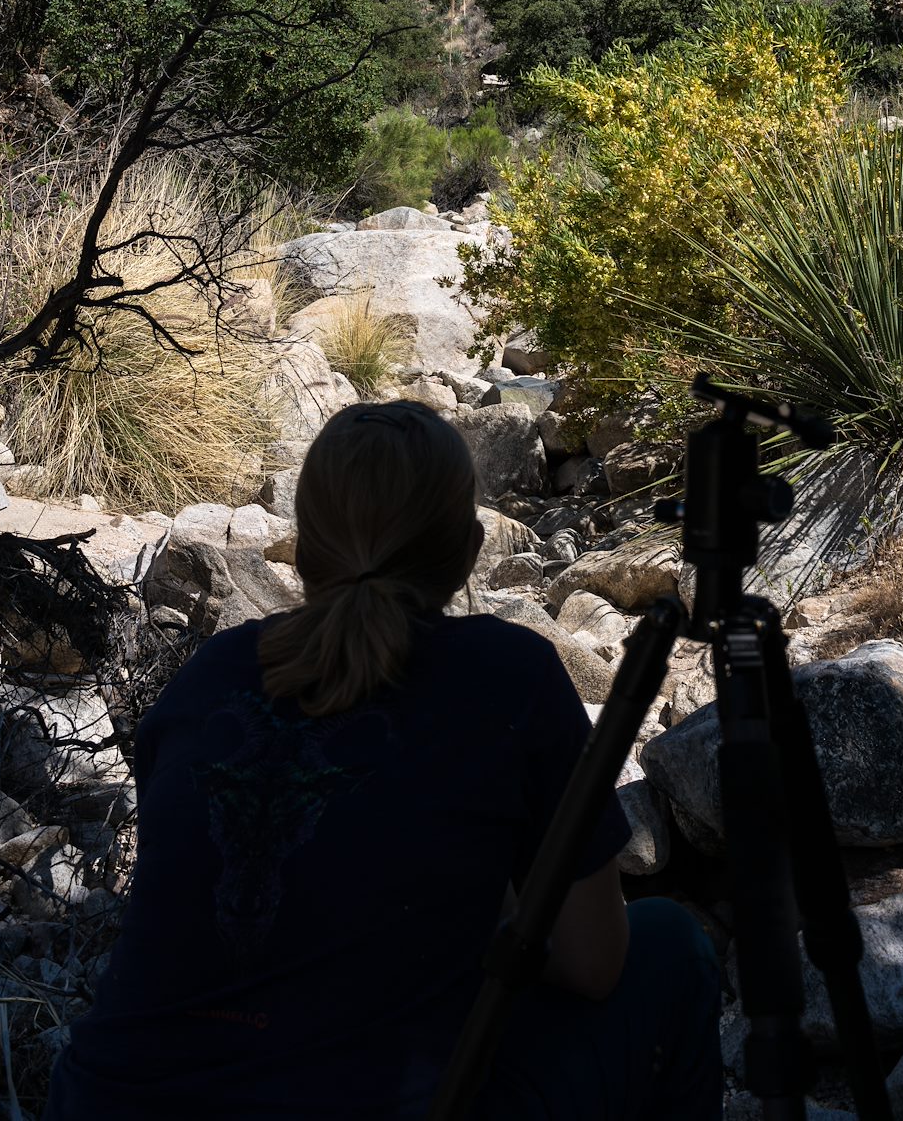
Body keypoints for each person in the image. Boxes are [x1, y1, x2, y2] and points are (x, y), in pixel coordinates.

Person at [44, 400, 724, 1119]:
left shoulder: (209, 674)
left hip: (104, 1098)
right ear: (467, 552)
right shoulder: (511, 677)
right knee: (669, 944)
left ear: (303, 553)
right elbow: (594, 963)